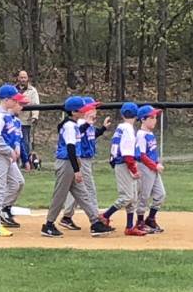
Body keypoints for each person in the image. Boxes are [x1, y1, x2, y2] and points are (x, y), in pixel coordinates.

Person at [41, 96, 114, 238]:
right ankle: (48, 225)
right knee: (60, 195)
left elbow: (79, 136)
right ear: (74, 112)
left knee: (83, 194)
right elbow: (70, 148)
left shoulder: (73, 125)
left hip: (72, 162)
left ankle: (95, 223)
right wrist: (76, 170)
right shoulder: (69, 126)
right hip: (66, 163)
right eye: (82, 110)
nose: (85, 111)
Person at [59, 97, 111, 230]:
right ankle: (97, 220)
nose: (95, 110)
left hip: (86, 158)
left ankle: (67, 216)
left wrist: (103, 128)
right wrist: (87, 124)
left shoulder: (88, 123)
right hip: (81, 159)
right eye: (92, 108)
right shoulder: (80, 122)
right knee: (89, 189)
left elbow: (93, 135)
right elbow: (78, 134)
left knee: (77, 190)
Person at [0, 85, 29, 237]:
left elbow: (13, 136)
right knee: (0, 187)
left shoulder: (8, 116)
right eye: (14, 99)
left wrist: (15, 147)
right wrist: (9, 150)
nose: (17, 102)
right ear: (6, 100)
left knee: (18, 183)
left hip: (8, 156)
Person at [101, 102, 145, 236]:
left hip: (121, 162)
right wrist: (134, 170)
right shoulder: (128, 130)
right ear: (136, 116)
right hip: (124, 164)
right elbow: (127, 154)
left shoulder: (121, 128)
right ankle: (105, 216)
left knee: (132, 197)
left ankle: (130, 226)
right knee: (127, 197)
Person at [135, 105, 166, 234]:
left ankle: (151, 219)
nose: (155, 120)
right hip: (145, 168)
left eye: (155, 117)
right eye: (152, 118)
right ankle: (140, 221)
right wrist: (154, 166)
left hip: (153, 168)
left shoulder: (150, 134)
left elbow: (153, 152)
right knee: (144, 195)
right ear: (143, 119)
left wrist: (157, 162)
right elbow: (141, 155)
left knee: (160, 194)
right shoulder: (141, 135)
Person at [15, 70, 40, 169]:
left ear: (27, 78)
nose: (23, 79)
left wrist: (35, 116)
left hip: (26, 120)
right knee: (15, 141)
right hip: (14, 120)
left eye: (24, 77)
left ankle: (26, 161)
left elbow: (36, 104)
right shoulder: (13, 90)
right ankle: (15, 161)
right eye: (21, 77)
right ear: (18, 78)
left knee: (25, 141)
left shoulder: (32, 91)